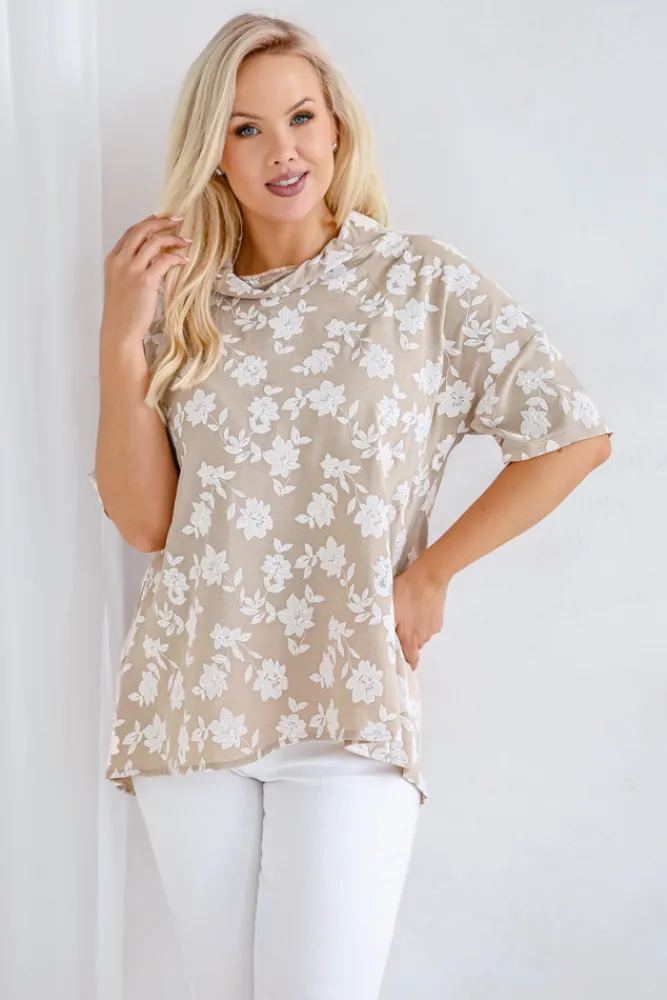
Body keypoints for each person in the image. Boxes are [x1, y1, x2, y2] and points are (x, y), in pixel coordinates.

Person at [91, 12, 613, 1000]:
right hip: (189, 702)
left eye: (299, 117)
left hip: (349, 702)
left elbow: (570, 436)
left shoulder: (419, 282)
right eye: (245, 129)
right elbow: (147, 523)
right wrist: (124, 340)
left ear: (336, 125)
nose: (281, 151)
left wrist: (432, 573)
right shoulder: (186, 305)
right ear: (213, 154)